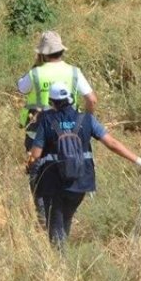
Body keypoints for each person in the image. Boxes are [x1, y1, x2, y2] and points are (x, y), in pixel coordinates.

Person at [27, 82, 141, 246]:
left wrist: (30, 165)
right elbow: (112, 144)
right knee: (65, 219)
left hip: (53, 183)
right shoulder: (87, 120)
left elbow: (35, 155)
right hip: (81, 182)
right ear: (71, 99)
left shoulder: (47, 121)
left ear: (51, 101)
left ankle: (59, 266)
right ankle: (62, 254)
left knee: (55, 226)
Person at [18, 30, 96, 222]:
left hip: (37, 130)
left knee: (37, 170)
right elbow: (91, 99)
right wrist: (86, 120)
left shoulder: (36, 73)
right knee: (67, 166)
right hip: (69, 132)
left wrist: (36, 65)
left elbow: (21, 88)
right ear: (61, 51)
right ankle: (64, 213)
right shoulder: (74, 72)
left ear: (43, 52)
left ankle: (43, 216)